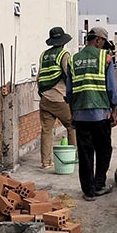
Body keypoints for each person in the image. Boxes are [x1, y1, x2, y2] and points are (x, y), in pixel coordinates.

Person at [67, 26, 117, 201]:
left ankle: (88, 191)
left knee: (85, 153)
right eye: (103, 42)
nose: (104, 46)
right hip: (101, 114)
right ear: (98, 40)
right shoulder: (106, 58)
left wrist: (73, 113)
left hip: (80, 115)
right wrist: (114, 110)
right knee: (104, 150)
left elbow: (69, 92)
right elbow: (111, 88)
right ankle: (99, 185)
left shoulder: (73, 60)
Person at [36, 27, 77, 169]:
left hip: (45, 99)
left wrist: (43, 94)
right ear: (63, 41)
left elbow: (39, 77)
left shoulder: (43, 55)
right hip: (60, 99)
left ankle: (45, 162)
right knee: (72, 126)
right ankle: (73, 157)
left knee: (46, 131)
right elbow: (70, 75)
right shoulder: (64, 55)